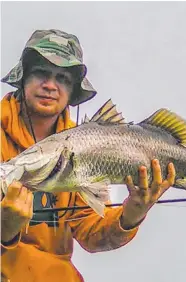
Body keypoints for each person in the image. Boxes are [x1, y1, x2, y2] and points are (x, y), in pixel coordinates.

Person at [0, 29, 176, 282]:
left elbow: (92, 234)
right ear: (23, 77)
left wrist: (131, 214)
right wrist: (4, 229)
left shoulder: (86, 148)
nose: (50, 85)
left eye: (62, 79)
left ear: (73, 92)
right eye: (41, 73)